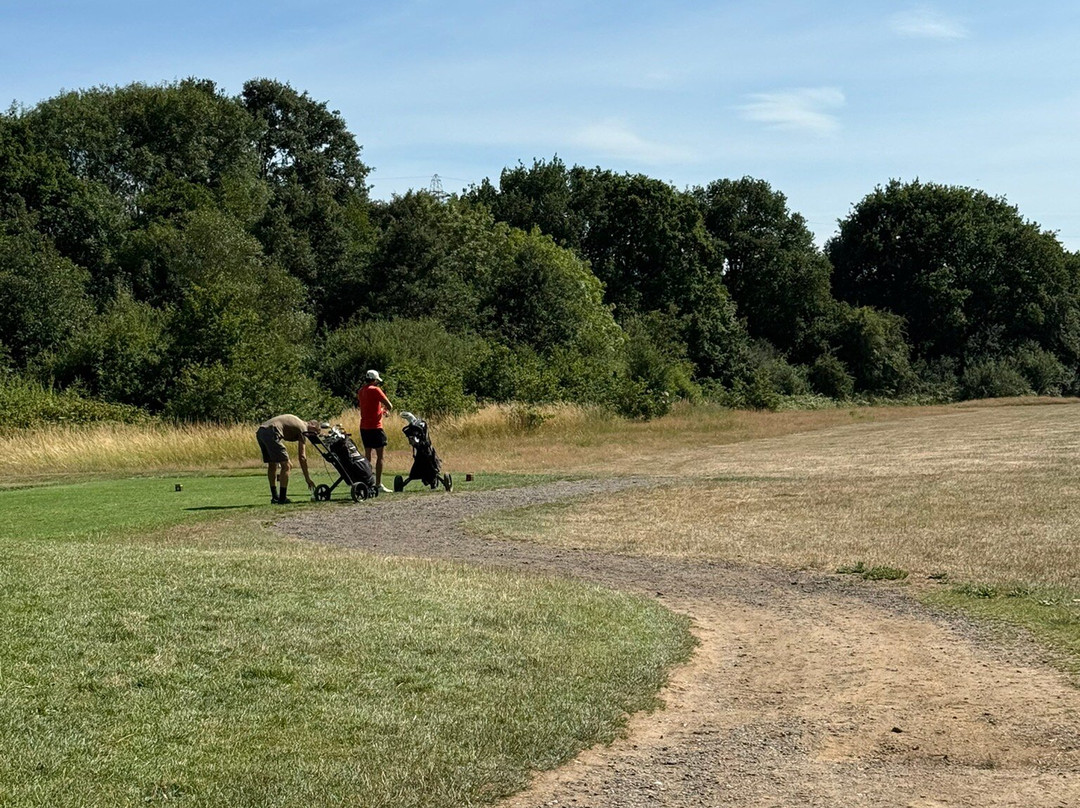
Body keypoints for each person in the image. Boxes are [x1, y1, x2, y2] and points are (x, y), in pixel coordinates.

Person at [255, 414, 318, 504]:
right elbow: (302, 457)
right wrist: (307, 479)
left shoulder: (298, 421)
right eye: (315, 432)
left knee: (272, 464)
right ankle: (282, 498)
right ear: (312, 424)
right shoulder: (303, 429)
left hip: (261, 432)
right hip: (272, 431)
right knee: (287, 465)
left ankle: (275, 497)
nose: (313, 436)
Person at [357, 369, 393, 493]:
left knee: (367, 457)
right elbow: (389, 405)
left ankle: (368, 482)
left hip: (364, 427)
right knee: (380, 457)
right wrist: (385, 410)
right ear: (375, 380)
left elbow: (368, 407)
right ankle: (378, 484)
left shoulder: (361, 391)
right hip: (376, 427)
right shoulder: (376, 390)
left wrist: (380, 410)